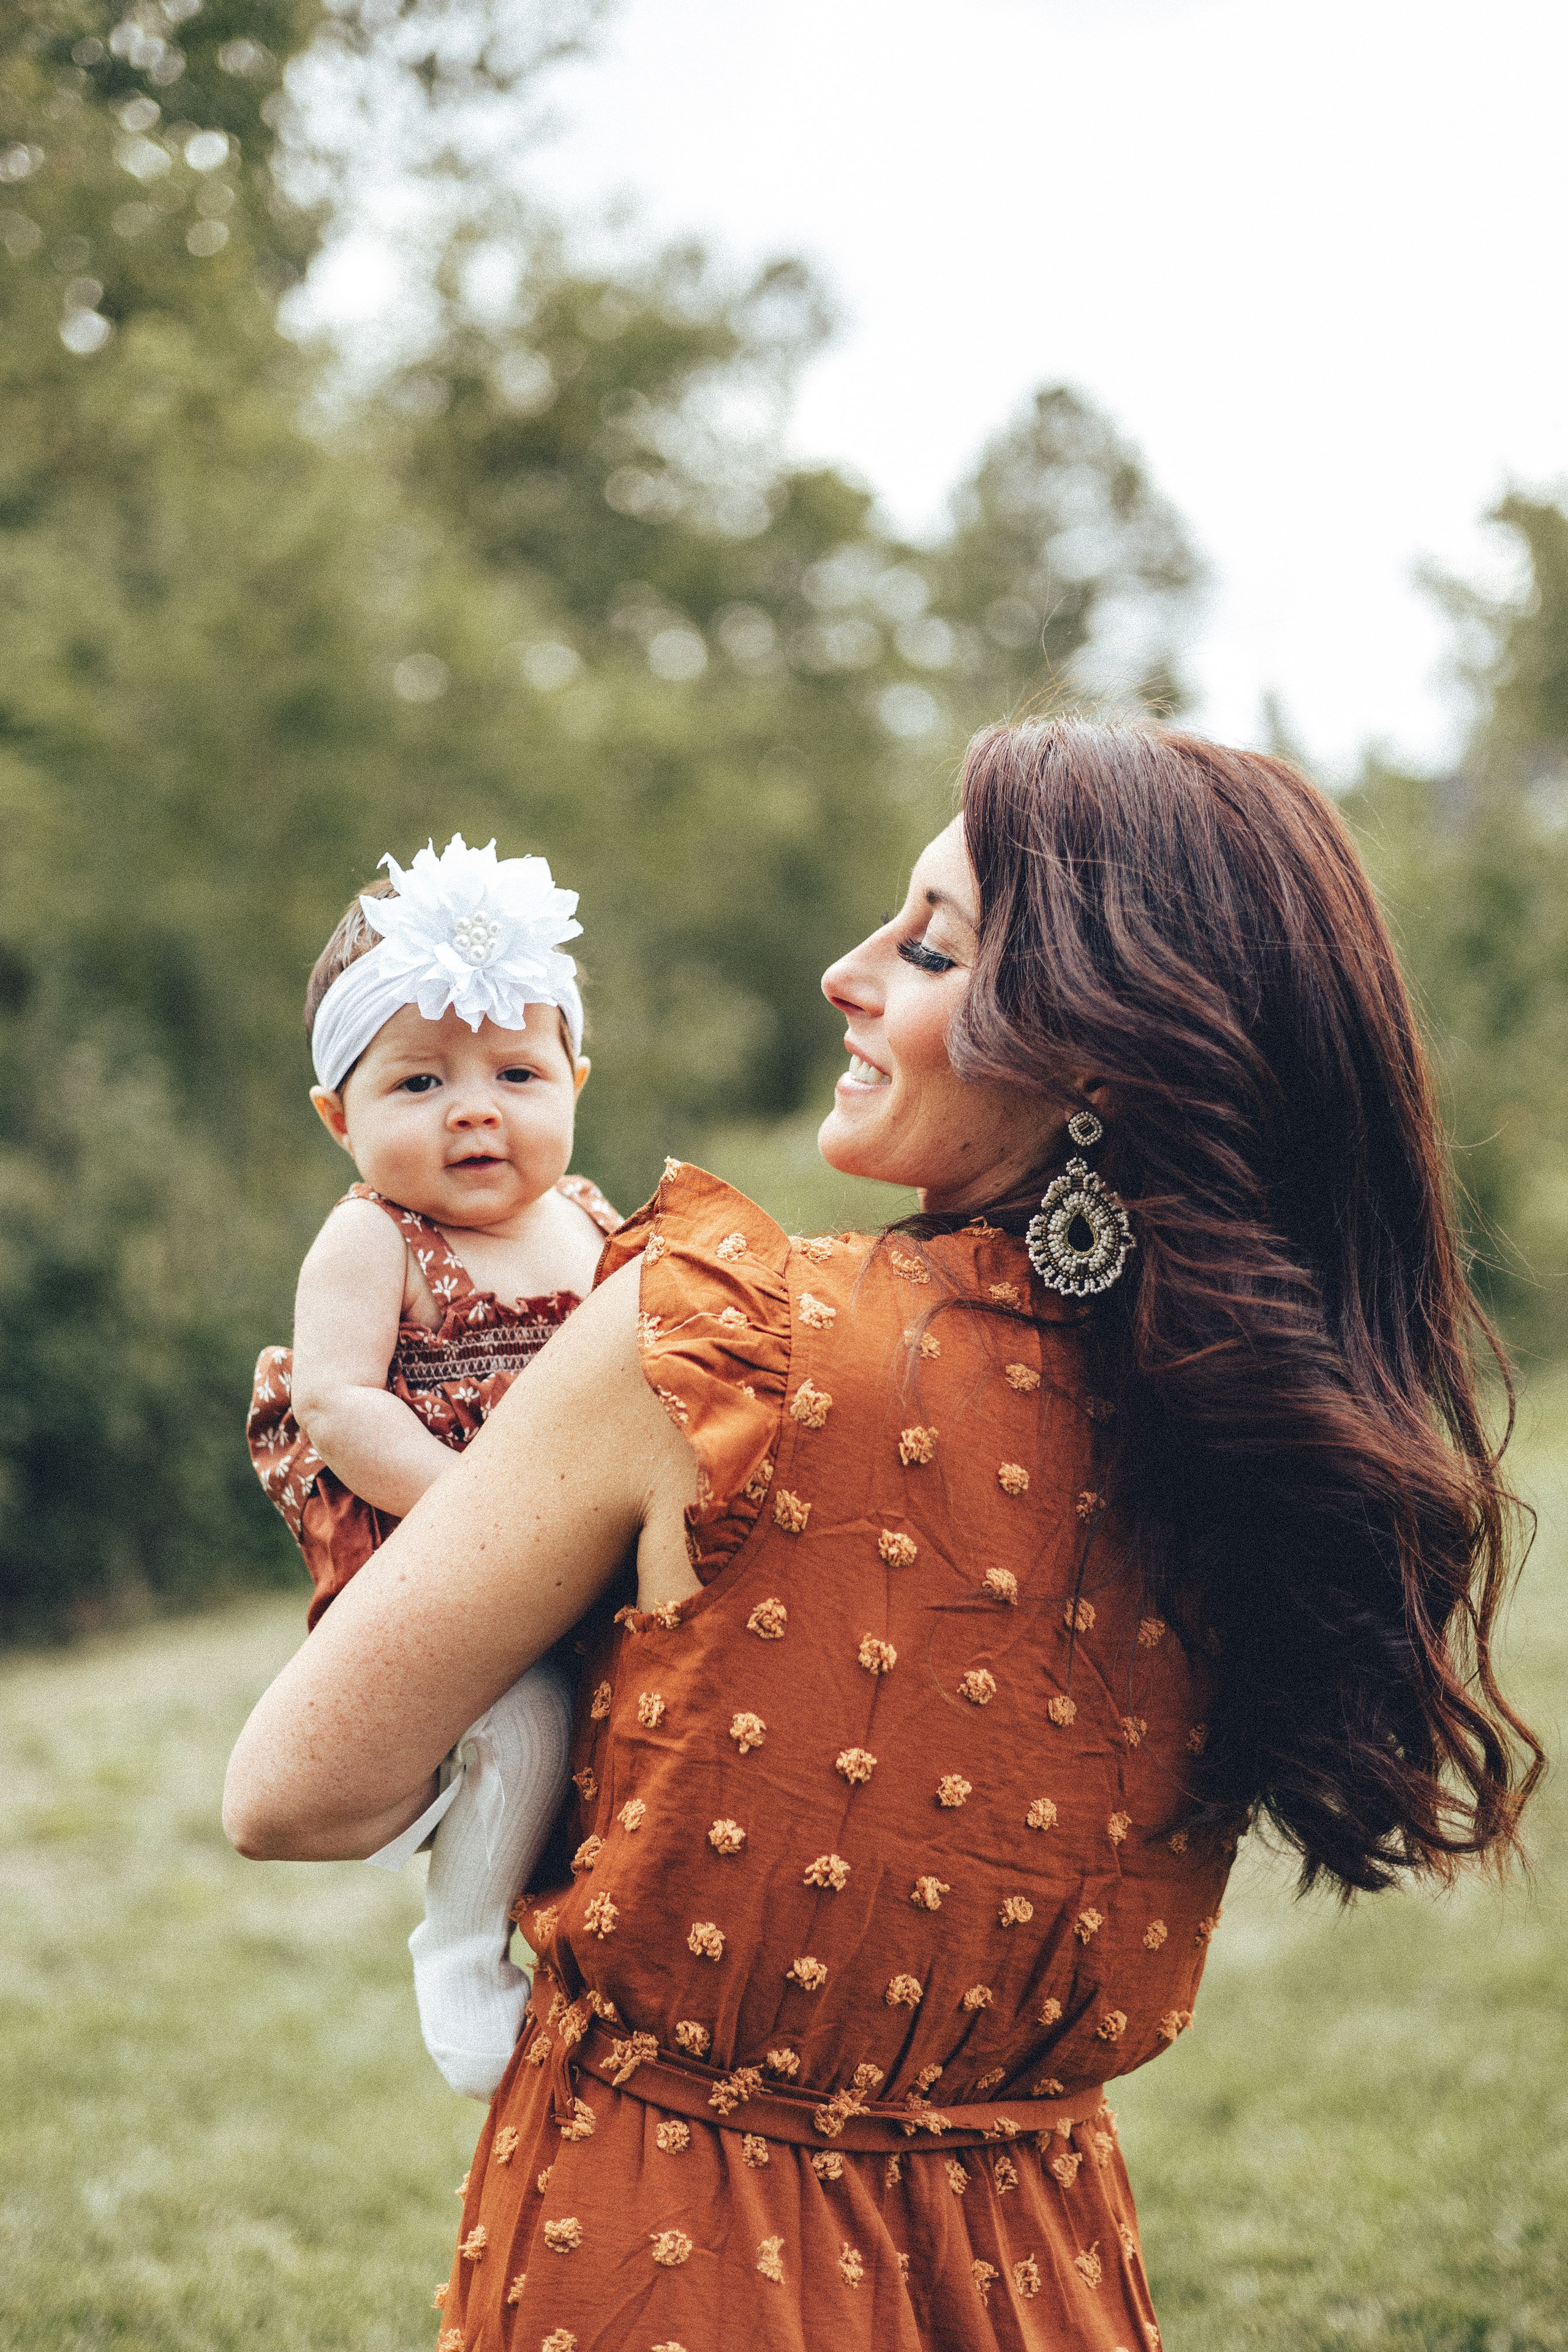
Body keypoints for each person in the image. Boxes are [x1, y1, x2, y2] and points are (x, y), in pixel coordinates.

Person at [225, 721, 1542, 2352]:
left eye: (927, 944)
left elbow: (293, 1792)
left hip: (658, 2252)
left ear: (1096, 1053)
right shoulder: (1258, 1435)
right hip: (1035, 2268)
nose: (847, 975)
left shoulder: (722, 1344)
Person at [246, 832, 617, 2100]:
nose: (473, 1107)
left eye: (515, 1070)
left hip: (598, 1542)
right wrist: (487, 1515)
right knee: (521, 1720)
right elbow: (341, 1407)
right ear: (336, 1116)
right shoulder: (374, 1240)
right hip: (444, 1551)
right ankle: (459, 1944)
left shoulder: (594, 1222)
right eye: (417, 1084)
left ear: (576, 1078)